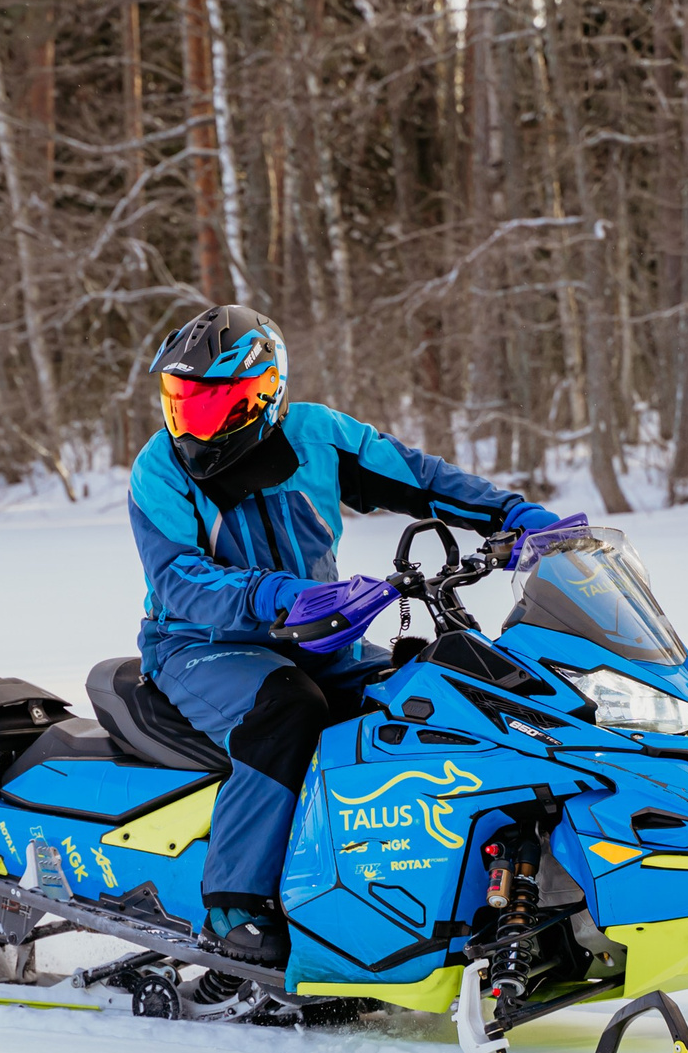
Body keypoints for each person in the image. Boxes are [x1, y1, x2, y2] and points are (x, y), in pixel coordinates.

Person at [128, 304, 569, 968]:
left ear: (264, 396)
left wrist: (509, 512)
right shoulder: (159, 469)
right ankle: (234, 905)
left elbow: (420, 478)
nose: (191, 421)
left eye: (212, 403)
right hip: (197, 646)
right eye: (182, 401)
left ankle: (420, 888)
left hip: (314, 634)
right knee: (286, 709)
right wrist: (280, 595)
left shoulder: (317, 436)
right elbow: (181, 579)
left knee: (429, 692)